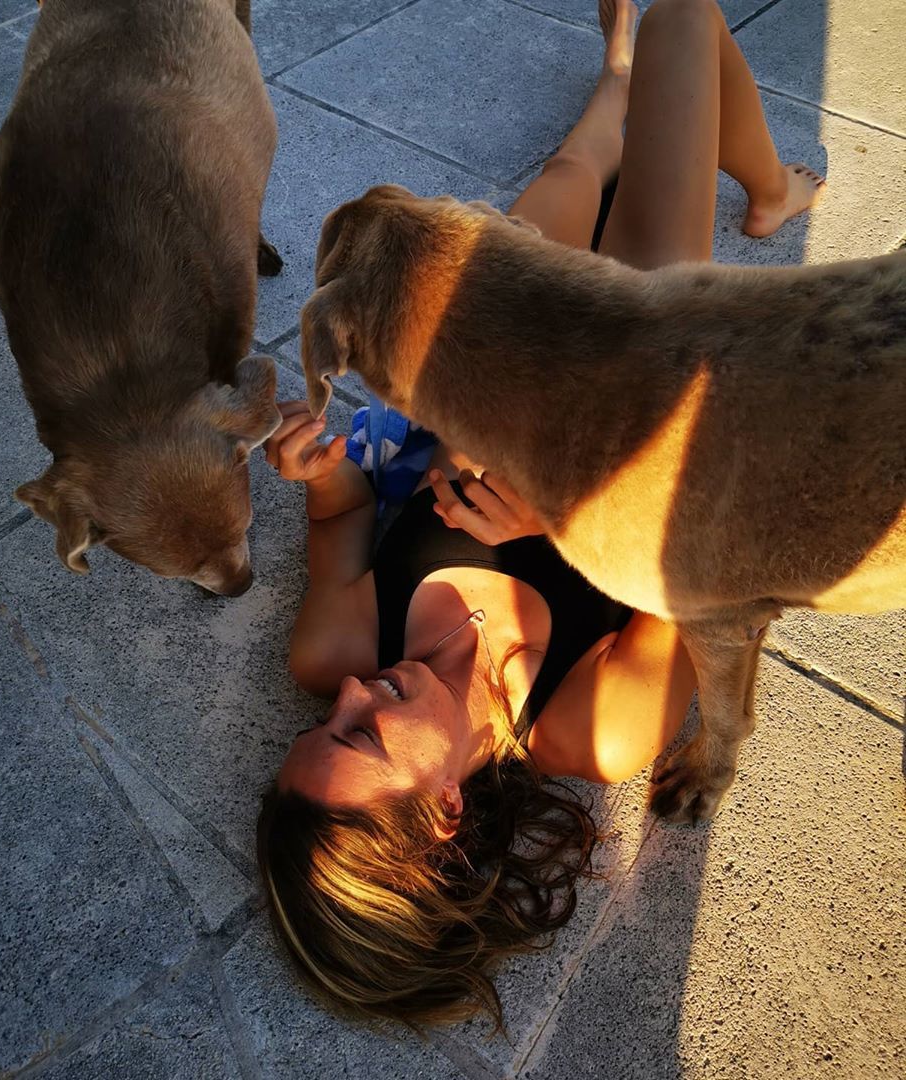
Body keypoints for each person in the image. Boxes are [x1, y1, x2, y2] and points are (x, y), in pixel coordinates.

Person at [256, 0, 824, 1028]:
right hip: (632, 387)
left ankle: (614, 106)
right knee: (684, 26)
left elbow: (341, 521)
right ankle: (769, 189)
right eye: (364, 736)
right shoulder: (587, 731)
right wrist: (559, 523)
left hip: (503, 368)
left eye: (324, 724)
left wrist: (320, 469)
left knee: (546, 203)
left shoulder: (332, 649)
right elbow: (708, 575)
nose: (342, 697)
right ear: (442, 818)